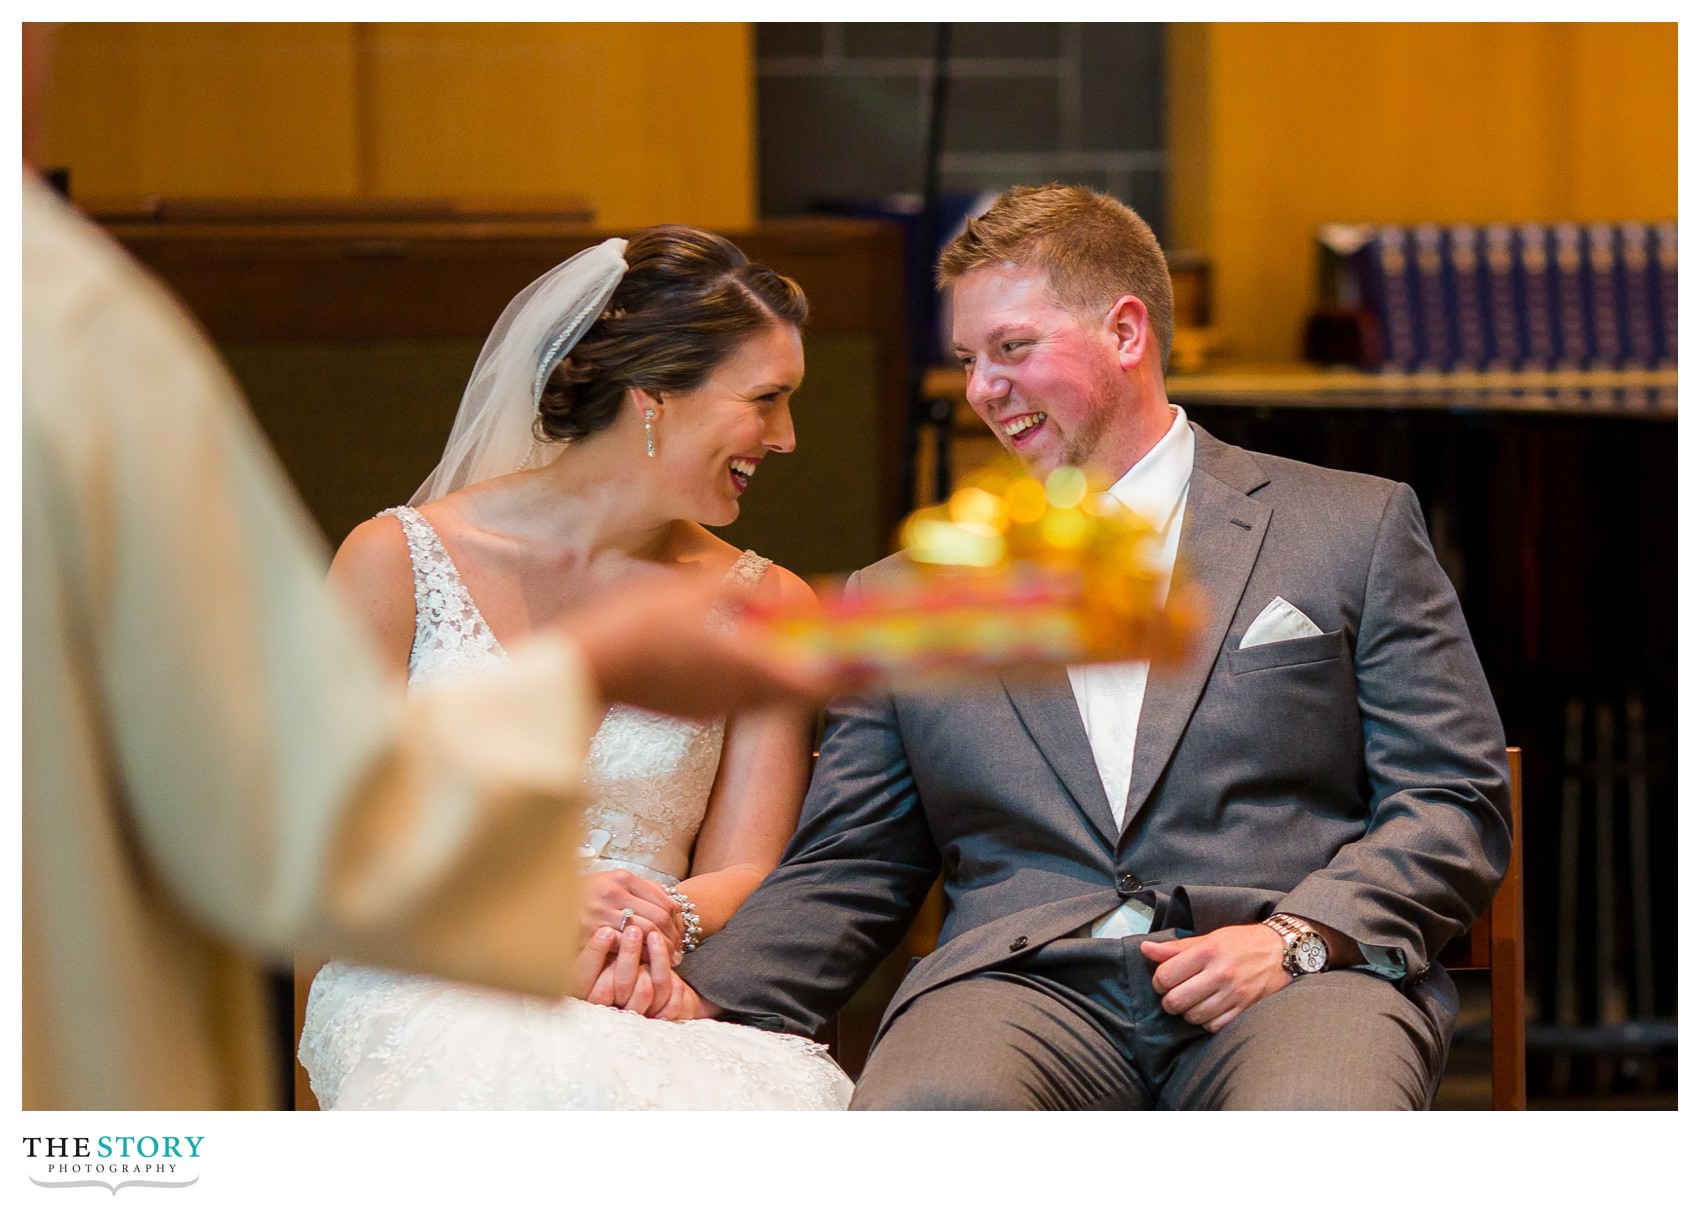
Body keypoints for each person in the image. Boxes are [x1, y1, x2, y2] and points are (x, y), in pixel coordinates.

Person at [672, 184, 1512, 1109]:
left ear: (1125, 332)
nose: (983, 388)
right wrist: (694, 996)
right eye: (967, 359)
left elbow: (1452, 799)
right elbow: (855, 860)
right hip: (1018, 989)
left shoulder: (1352, 527)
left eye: (1013, 348)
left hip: (1291, 978)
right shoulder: (908, 593)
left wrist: (1297, 937)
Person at [297, 227, 853, 1110]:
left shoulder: (769, 604)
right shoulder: (394, 561)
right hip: (434, 973)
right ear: (654, 399)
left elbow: (752, 867)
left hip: (647, 994)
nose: (786, 438)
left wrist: (659, 918)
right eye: (766, 399)